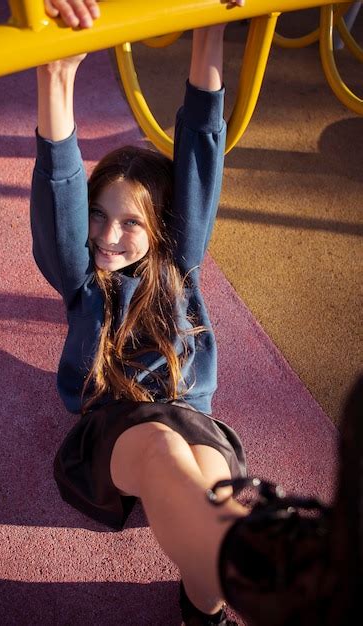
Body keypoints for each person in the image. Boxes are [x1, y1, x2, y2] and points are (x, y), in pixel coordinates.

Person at [31, 2, 360, 625]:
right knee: (161, 452)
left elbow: (203, 142)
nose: (107, 235)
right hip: (118, 424)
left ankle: (201, 609)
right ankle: (287, 592)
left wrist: (213, 23)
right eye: (99, 216)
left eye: (131, 223)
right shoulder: (84, 284)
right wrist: (58, 75)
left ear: (162, 230)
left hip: (191, 415)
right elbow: (59, 185)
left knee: (215, 492)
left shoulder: (180, 263)